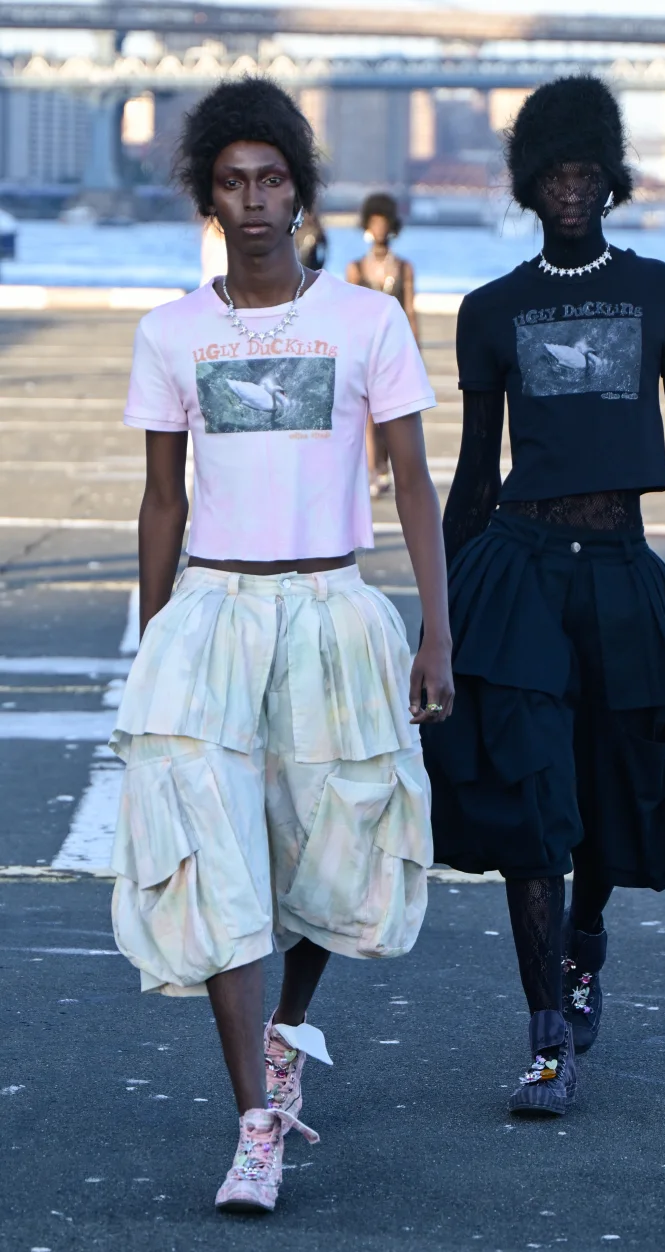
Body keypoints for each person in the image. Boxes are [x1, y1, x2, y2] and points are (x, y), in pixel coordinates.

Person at [108, 76, 453, 1214]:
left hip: (331, 612)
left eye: (270, 180)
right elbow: (163, 501)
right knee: (213, 864)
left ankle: (286, 1036)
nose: (252, 200)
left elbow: (410, 479)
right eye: (230, 183)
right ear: (209, 198)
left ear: (301, 194)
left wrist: (435, 632)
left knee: (324, 863)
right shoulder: (172, 333)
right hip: (213, 613)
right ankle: (257, 1123)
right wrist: (154, 637)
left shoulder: (368, 319)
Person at [421, 75, 665, 1118]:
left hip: (623, 579)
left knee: (612, 796)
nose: (569, 189)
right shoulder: (493, 311)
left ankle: (585, 942)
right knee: (531, 813)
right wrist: (436, 618)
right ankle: (546, 1038)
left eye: (584, 172)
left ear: (610, 178)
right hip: (517, 572)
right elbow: (474, 475)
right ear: (528, 183)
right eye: (551, 174)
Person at [346, 193, 419, 498]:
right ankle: (374, 470)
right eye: (374, 223)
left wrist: (415, 349)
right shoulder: (356, 269)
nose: (378, 229)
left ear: (392, 226)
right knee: (367, 415)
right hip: (364, 348)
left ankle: (386, 466)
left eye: (383, 223)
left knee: (392, 414)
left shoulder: (404, 268)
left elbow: (411, 310)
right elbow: (347, 313)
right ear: (367, 225)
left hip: (395, 348)